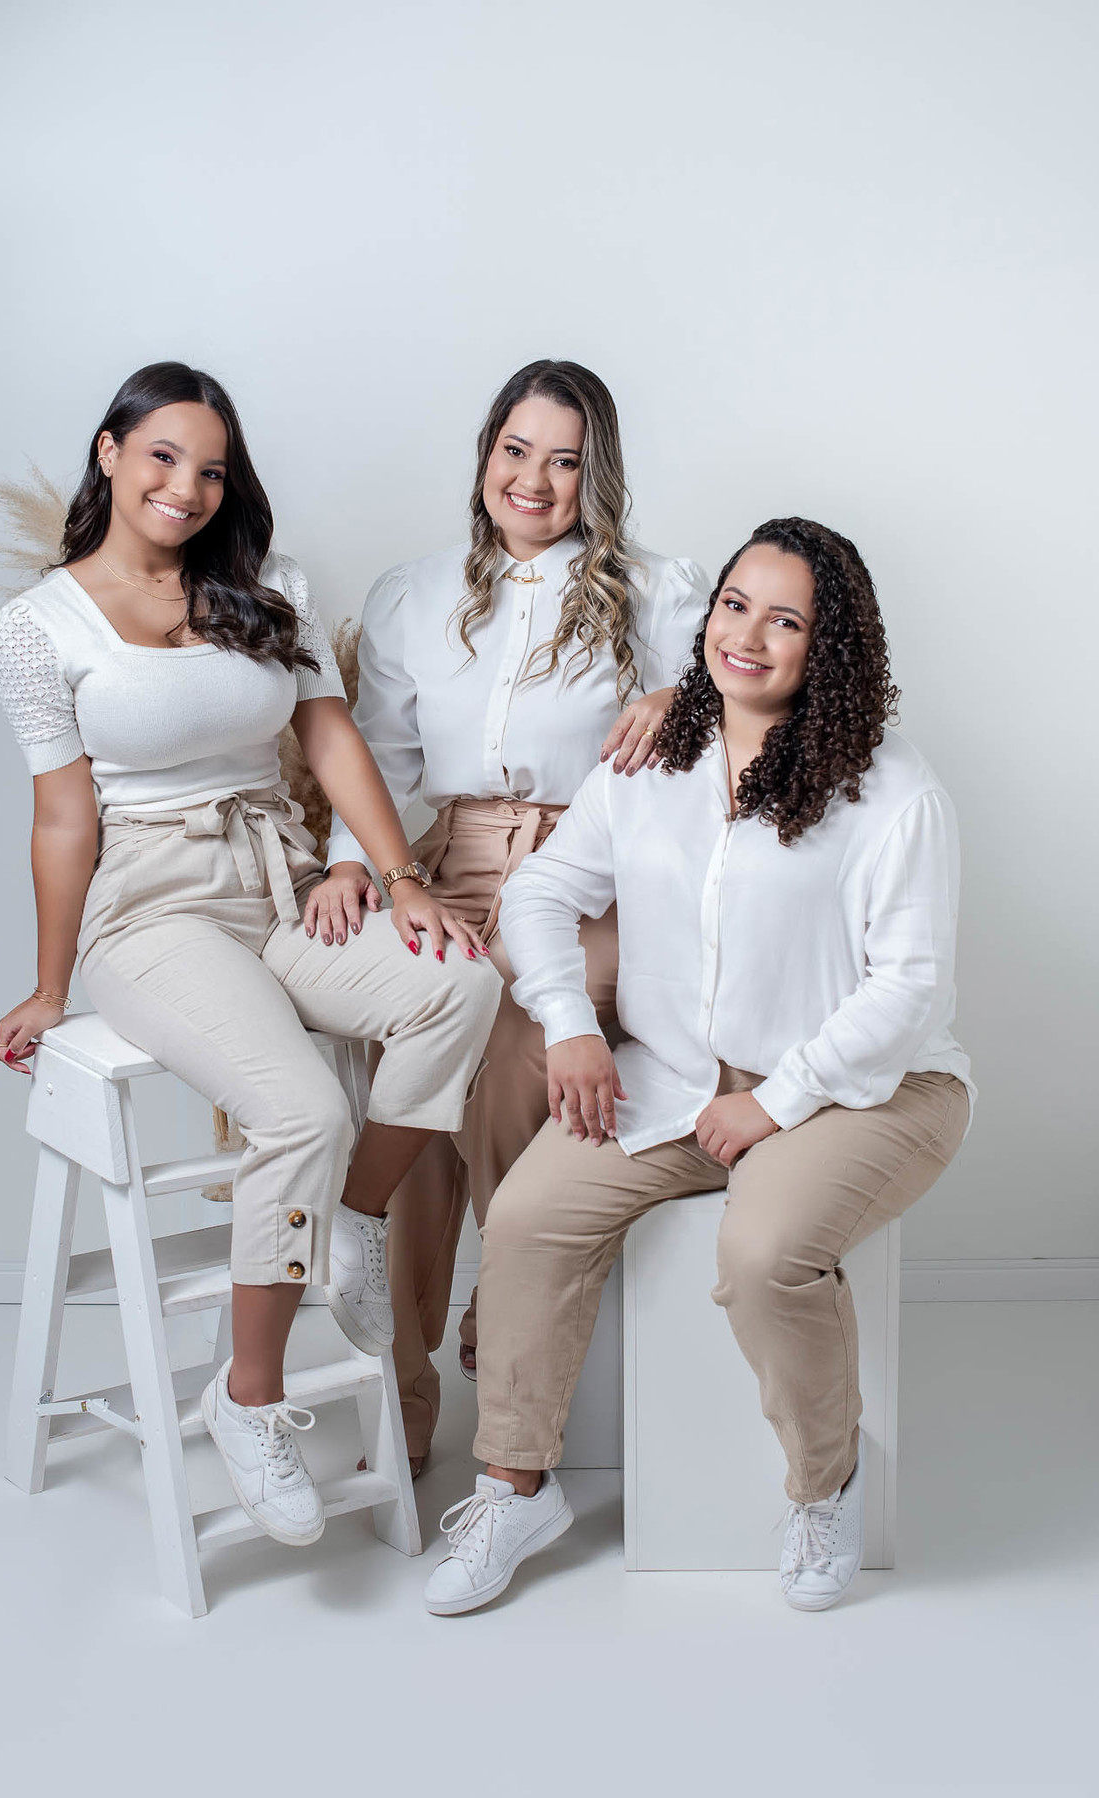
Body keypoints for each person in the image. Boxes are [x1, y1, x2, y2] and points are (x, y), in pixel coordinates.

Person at [0, 361, 500, 1551]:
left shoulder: (269, 585)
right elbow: (63, 819)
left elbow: (328, 738)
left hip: (280, 880)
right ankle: (248, 1396)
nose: (187, 488)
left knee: (460, 985)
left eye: (212, 470)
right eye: (163, 456)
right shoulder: (38, 627)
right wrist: (52, 985)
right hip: (150, 908)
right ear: (110, 451)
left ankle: (357, 1216)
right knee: (302, 1110)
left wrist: (398, 877)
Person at [425, 516, 974, 1614]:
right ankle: (514, 1487)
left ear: (831, 646)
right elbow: (542, 892)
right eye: (734, 606)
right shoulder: (654, 761)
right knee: (528, 1215)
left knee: (764, 1253)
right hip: (678, 1077)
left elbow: (907, 989)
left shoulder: (893, 790)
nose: (748, 637)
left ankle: (827, 1484)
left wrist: (777, 1101)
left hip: (870, 1090)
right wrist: (569, 1022)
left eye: (786, 621)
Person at [309, 359, 708, 1469]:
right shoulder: (413, 591)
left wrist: (681, 696)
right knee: (412, 1061)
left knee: (517, 1044)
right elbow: (380, 755)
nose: (533, 479)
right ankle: (404, 1379)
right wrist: (350, 863)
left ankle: (510, 1289)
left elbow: (743, 698)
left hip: (590, 875)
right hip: (444, 861)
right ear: (486, 454)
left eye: (565, 461)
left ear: (598, 475)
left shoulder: (658, 590)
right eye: (515, 450)